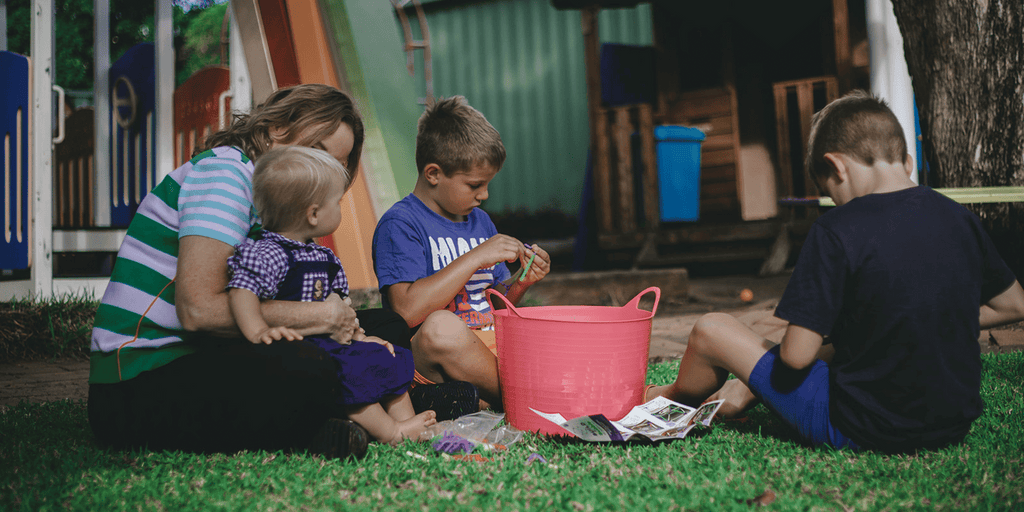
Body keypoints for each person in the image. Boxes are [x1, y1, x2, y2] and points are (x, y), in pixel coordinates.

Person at [648, 90, 1024, 453]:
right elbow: (1013, 305)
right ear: (905, 161)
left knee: (711, 329)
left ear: (836, 167)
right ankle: (735, 391)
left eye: (830, 191)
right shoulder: (958, 217)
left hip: (858, 426)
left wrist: (756, 379)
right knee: (829, 332)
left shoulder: (838, 228)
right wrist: (931, 318)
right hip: (951, 424)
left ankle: (667, 398)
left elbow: (797, 357)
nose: (836, 201)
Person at [88, 84, 410, 459]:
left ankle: (350, 418)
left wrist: (350, 330)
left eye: (335, 165)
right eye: (317, 150)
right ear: (277, 129)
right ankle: (339, 419)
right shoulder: (227, 173)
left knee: (387, 327)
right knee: (307, 366)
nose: (322, 169)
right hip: (141, 380)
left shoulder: (282, 198)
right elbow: (198, 311)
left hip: (216, 352)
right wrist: (321, 317)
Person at [225, 146, 437, 444]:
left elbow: (341, 310)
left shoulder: (322, 256)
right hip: (306, 348)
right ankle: (391, 432)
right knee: (349, 371)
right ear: (313, 214)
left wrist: (362, 337)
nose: (340, 207)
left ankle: (407, 422)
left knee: (385, 352)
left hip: (334, 339)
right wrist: (258, 330)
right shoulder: (268, 252)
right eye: (337, 202)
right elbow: (242, 291)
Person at [372, 96, 551, 412]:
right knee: (441, 327)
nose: (484, 195)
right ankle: (536, 399)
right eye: (474, 185)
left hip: (486, 351)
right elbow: (407, 311)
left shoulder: (479, 221)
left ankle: (509, 396)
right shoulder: (400, 223)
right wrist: (475, 257)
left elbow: (492, 302)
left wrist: (522, 282)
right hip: (432, 359)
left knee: (550, 327)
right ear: (433, 174)